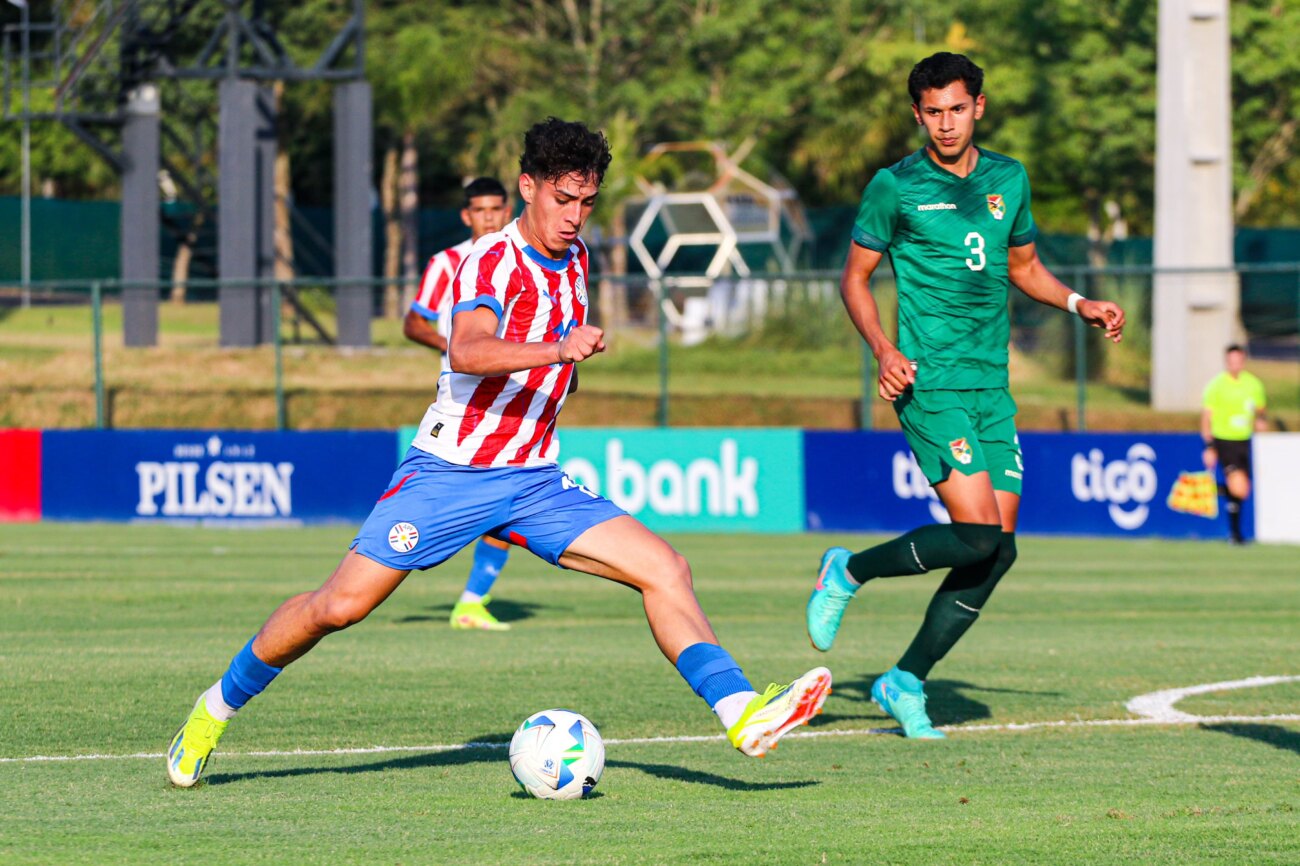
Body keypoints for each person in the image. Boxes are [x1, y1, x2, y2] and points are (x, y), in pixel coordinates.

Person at [167, 118, 831, 788]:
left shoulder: (576, 258)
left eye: (587, 203)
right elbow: (468, 349)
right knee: (338, 608)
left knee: (665, 568)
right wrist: (557, 349)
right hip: (449, 474)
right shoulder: (489, 260)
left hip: (535, 479)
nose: (575, 217)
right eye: (563, 201)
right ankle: (213, 709)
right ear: (527, 187)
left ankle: (742, 712)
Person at [805, 53, 1125, 739]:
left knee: (997, 551)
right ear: (917, 114)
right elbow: (855, 278)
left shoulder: (1009, 178)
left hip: (991, 385)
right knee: (978, 533)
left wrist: (1079, 303)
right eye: (932, 112)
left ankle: (904, 679)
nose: (945, 123)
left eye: (957, 109)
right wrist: (885, 351)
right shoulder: (895, 187)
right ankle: (848, 571)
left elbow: (1024, 267)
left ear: (979, 106)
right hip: (927, 381)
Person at [404, 177, 515, 631]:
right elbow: (414, 322)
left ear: (507, 209)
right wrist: (455, 343)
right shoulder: (447, 262)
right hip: (462, 400)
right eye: (479, 210)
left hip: (515, 399)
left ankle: (471, 601)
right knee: (443, 499)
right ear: (467, 215)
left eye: (496, 208)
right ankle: (390, 549)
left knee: (507, 498)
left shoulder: (527, 259)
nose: (489, 216)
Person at [1201, 344, 1267, 544]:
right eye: (1231, 361)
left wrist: (1261, 421)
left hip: (1244, 441)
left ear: (1244, 361)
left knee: (1243, 490)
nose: (1234, 365)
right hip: (1224, 441)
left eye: (1238, 360)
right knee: (1239, 488)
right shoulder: (1217, 385)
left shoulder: (1254, 384)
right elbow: (1206, 417)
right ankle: (1235, 534)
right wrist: (1210, 446)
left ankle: (1235, 534)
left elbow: (1261, 410)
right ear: (1226, 362)